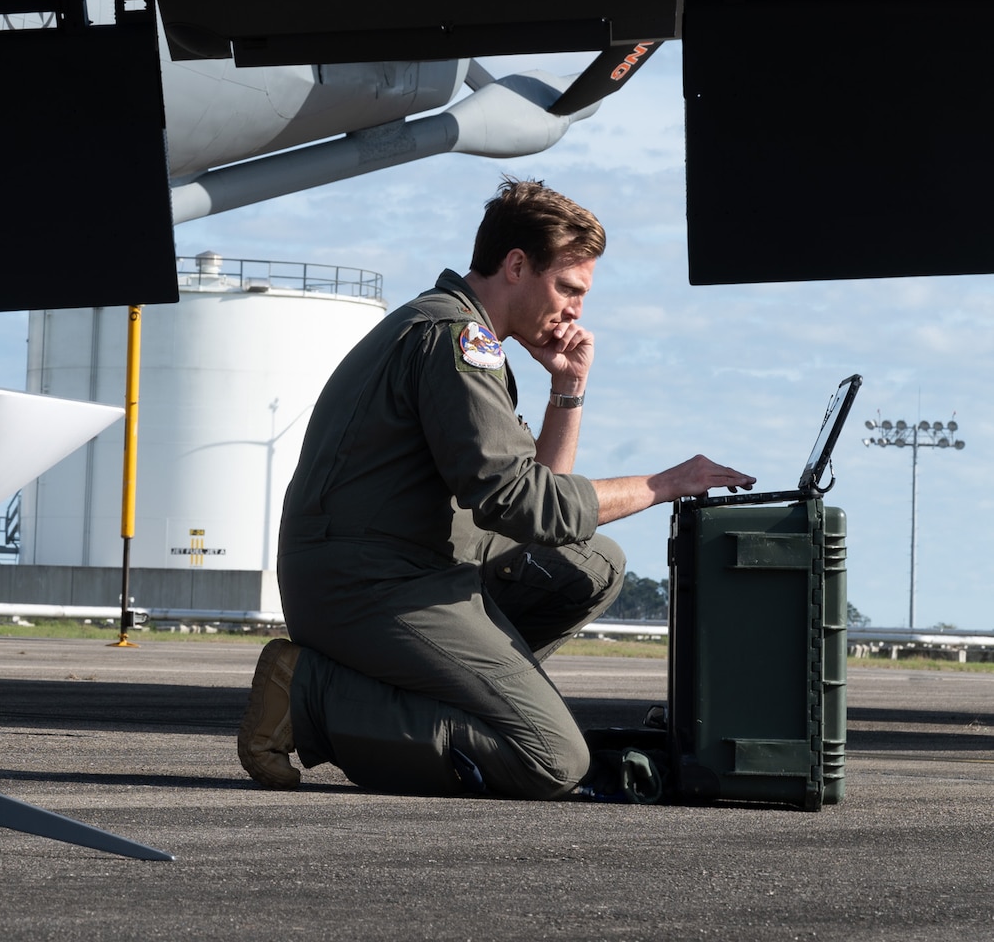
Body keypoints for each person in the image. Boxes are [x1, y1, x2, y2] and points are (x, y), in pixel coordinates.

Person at [237, 177, 753, 798]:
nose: (575, 311)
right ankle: (311, 697)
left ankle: (466, 697)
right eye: (567, 287)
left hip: (406, 564)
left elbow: (539, 503)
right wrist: (667, 483)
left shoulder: (457, 332)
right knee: (553, 761)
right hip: (369, 582)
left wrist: (567, 388)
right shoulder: (456, 341)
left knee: (591, 563)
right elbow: (527, 505)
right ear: (516, 266)